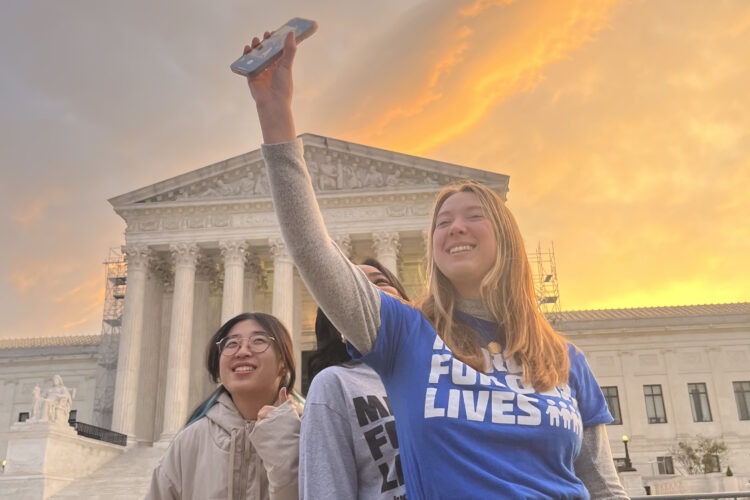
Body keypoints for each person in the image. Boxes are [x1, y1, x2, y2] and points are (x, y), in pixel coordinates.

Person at [245, 31, 627, 499]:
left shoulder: (564, 359)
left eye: (473, 216)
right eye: (442, 222)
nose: (455, 228)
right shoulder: (408, 338)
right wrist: (274, 112)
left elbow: (603, 485)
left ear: (507, 238)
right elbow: (313, 251)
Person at [147, 312, 302, 500]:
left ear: (283, 363)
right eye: (232, 344)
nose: (243, 351)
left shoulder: (309, 433)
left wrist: (285, 454)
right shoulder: (188, 442)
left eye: (259, 341)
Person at [300, 259, 409, 500]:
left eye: (381, 282)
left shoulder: (442, 372)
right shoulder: (334, 384)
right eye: (353, 286)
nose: (369, 290)